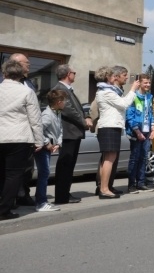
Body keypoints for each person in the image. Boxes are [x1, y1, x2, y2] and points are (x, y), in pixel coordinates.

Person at [0, 59, 43, 220]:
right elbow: (35, 119)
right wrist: (39, 141)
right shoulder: (26, 92)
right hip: (19, 137)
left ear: (4, 73)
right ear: (21, 75)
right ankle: (4, 209)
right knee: (13, 175)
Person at [96, 66, 139, 199]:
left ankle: (104, 187)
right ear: (108, 78)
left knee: (108, 159)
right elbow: (124, 104)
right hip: (109, 127)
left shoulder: (108, 91)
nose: (114, 77)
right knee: (109, 159)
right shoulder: (106, 92)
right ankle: (104, 189)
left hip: (111, 126)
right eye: (112, 75)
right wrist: (133, 89)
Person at [52, 64, 91, 205]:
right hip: (68, 132)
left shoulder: (67, 89)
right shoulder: (60, 89)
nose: (75, 74)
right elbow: (68, 110)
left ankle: (65, 193)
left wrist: (86, 116)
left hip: (72, 132)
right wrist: (84, 122)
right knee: (65, 165)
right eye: (74, 72)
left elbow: (77, 109)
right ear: (68, 74)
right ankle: (62, 196)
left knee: (69, 165)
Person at [35, 89, 66, 211]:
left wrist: (58, 143)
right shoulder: (47, 115)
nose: (65, 103)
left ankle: (40, 200)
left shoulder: (57, 112)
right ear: (58, 102)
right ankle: (41, 202)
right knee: (44, 173)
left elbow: (60, 129)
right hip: (42, 149)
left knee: (44, 173)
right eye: (64, 101)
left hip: (47, 148)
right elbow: (38, 130)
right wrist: (46, 142)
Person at [125, 74, 154, 193]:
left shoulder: (149, 97)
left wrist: (153, 129)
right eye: (145, 82)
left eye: (149, 82)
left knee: (144, 157)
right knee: (135, 158)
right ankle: (131, 184)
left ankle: (141, 182)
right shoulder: (134, 97)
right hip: (136, 131)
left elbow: (151, 114)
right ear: (139, 83)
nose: (148, 85)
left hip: (147, 132)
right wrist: (137, 131)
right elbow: (129, 116)